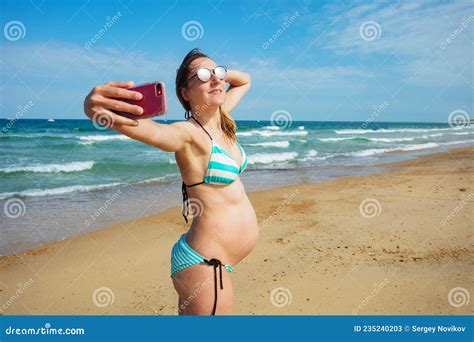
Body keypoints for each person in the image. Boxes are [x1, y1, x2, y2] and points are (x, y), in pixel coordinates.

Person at [83, 48, 259, 315]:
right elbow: (154, 132)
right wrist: (96, 110)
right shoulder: (187, 134)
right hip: (204, 263)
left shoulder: (221, 121)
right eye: (202, 76)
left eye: (219, 74)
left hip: (213, 262)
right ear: (185, 94)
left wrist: (213, 74)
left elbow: (245, 79)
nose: (215, 80)